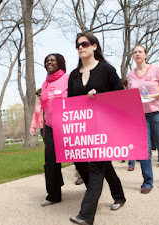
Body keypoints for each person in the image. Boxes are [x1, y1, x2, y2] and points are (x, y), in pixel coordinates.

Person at [69, 32, 126, 225]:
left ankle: (86, 215)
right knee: (99, 166)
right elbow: (71, 104)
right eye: (77, 45)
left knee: (96, 167)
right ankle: (119, 196)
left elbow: (120, 96)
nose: (80, 48)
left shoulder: (106, 70)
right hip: (83, 131)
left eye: (84, 44)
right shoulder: (73, 75)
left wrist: (100, 95)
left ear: (94, 46)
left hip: (104, 127)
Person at [127, 45, 159, 195]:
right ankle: (147, 182)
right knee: (145, 149)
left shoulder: (156, 69)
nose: (137, 54)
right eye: (135, 52)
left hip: (156, 113)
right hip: (140, 115)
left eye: (140, 52)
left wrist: (152, 96)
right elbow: (130, 94)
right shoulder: (131, 74)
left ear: (146, 55)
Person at [38, 53, 70, 207]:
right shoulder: (45, 83)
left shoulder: (67, 79)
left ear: (60, 63)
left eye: (52, 60)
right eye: (47, 61)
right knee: (50, 160)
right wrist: (44, 128)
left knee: (79, 160)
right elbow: (45, 108)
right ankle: (53, 194)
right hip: (50, 126)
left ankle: (92, 187)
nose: (49, 62)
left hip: (67, 125)